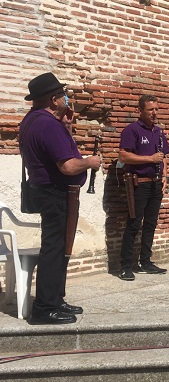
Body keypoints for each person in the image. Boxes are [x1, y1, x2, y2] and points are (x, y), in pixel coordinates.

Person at [19, 72, 101, 324]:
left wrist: (66, 126)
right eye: (63, 95)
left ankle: (55, 298)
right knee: (54, 249)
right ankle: (44, 307)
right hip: (56, 193)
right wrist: (91, 162)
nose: (67, 99)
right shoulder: (47, 124)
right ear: (54, 100)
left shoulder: (32, 120)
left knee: (58, 247)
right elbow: (67, 166)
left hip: (46, 191)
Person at [118, 94, 169, 281]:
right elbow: (123, 157)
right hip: (139, 183)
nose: (154, 113)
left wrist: (165, 176)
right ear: (140, 111)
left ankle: (146, 262)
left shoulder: (158, 131)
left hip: (156, 183)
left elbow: (163, 157)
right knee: (133, 224)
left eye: (156, 109)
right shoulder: (132, 130)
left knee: (151, 223)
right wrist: (150, 159)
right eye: (150, 110)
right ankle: (125, 266)